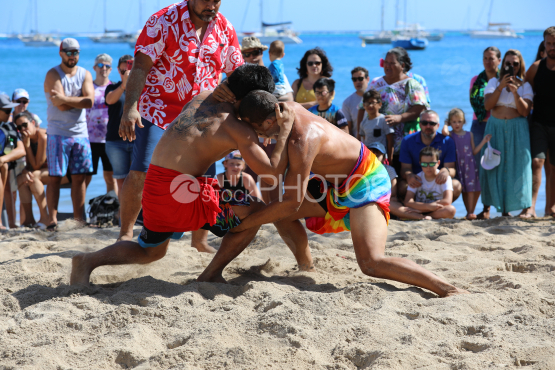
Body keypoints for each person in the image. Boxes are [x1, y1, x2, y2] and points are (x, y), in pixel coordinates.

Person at [202, 90, 468, 297]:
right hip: (334, 184)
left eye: (260, 131)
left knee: (371, 262)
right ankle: (307, 269)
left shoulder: (302, 139)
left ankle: (447, 288)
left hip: (366, 180)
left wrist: (245, 223)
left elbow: (291, 203)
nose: (261, 138)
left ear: (272, 120)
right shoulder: (285, 107)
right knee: (276, 215)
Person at [70, 64, 292, 286]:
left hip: (155, 187)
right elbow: (272, 171)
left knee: (151, 252)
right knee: (256, 208)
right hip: (180, 193)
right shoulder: (236, 128)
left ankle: (87, 261)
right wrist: (282, 131)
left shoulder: (202, 97)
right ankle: (212, 273)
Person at [117, 0, 244, 251]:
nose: (212, 4)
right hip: (159, 111)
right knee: (142, 170)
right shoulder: (162, 20)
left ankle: (199, 241)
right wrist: (130, 107)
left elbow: (236, 73)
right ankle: (125, 232)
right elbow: (141, 67)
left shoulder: (224, 28)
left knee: (203, 179)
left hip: (202, 117)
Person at [43, 38, 94, 228]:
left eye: (76, 52)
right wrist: (76, 100)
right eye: (69, 52)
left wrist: (65, 97)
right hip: (57, 132)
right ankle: (52, 219)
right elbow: (61, 107)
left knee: (79, 178)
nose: (73, 56)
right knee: (55, 177)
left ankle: (79, 220)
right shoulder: (52, 74)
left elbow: (89, 102)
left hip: (81, 133)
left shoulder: (85, 74)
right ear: (61, 53)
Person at [356, 47, 429, 173]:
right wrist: (359, 133)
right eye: (386, 62)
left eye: (392, 63)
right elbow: (362, 108)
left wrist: (400, 118)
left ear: (402, 65)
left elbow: (420, 108)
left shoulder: (411, 84)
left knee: (402, 176)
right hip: (378, 143)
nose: (387, 66)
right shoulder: (375, 83)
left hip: (404, 140)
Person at [482, 49, 533, 216]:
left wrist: (515, 92)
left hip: (517, 129)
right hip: (495, 127)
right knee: (493, 165)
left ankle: (523, 207)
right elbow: (488, 106)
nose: (512, 66)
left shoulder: (525, 86)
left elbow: (525, 112)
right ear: (503, 64)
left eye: (515, 64)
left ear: (520, 65)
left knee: (519, 166)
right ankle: (495, 209)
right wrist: (501, 87)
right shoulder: (493, 83)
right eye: (508, 63)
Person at [524, 27, 555, 218]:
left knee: (553, 167)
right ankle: (531, 207)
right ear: (544, 43)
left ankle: (550, 208)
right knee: (537, 162)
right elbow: (526, 92)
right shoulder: (536, 67)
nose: (552, 47)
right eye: (549, 43)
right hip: (539, 124)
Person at [397, 110, 461, 202]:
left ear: (438, 125)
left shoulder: (447, 141)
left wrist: (445, 171)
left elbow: (451, 169)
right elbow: (404, 169)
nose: (428, 126)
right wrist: (409, 176)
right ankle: (418, 210)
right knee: (402, 186)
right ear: (419, 124)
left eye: (432, 123)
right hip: (417, 182)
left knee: (456, 185)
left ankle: (435, 211)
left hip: (437, 182)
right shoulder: (407, 141)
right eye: (424, 123)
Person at [469, 46, 501, 220]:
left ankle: (503, 207)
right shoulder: (476, 80)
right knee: (479, 167)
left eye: (491, 58)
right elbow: (475, 104)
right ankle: (483, 209)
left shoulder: (503, 79)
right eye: (485, 58)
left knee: (500, 165)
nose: (488, 61)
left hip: (498, 123)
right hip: (478, 124)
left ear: (499, 60)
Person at [441, 108, 491, 220]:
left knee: (473, 187)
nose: (457, 124)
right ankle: (469, 212)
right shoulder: (451, 135)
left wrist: (484, 141)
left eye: (459, 121)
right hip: (459, 165)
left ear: (464, 122)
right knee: (464, 189)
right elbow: (444, 132)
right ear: (450, 123)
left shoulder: (470, 134)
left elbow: (473, 151)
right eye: (453, 122)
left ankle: (471, 212)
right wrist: (445, 123)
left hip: (470, 165)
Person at [14, 111, 59, 229]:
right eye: (19, 127)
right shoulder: (26, 138)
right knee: (21, 179)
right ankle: (28, 220)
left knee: (34, 176)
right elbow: (29, 166)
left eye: (25, 125)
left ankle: (45, 218)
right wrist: (25, 172)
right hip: (44, 172)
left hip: (59, 171)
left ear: (33, 123)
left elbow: (37, 166)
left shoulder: (42, 136)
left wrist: (27, 145)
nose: (23, 129)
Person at [366, 142, 425, 220]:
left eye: (377, 155)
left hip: (384, 200)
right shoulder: (361, 170)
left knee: (391, 202)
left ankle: (420, 217)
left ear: (384, 158)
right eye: (371, 154)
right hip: (367, 200)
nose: (374, 157)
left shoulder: (389, 170)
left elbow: (393, 192)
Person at [85, 53, 115, 194]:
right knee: (86, 178)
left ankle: (113, 209)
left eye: (107, 66)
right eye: (100, 65)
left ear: (111, 69)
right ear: (94, 68)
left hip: (109, 139)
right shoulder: (88, 88)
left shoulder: (115, 88)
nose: (104, 68)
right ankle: (80, 214)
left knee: (110, 177)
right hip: (89, 139)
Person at [104, 55, 134, 198]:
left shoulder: (142, 90)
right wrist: (124, 84)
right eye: (123, 71)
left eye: (129, 71)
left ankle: (140, 217)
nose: (126, 74)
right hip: (116, 142)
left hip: (136, 140)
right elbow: (109, 100)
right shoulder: (112, 87)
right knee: (121, 180)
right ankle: (123, 217)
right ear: (118, 71)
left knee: (138, 179)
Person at [404, 146, 456, 220]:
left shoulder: (444, 177)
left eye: (431, 164)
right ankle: (426, 216)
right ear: (420, 163)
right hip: (420, 208)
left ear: (438, 163)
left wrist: (427, 208)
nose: (428, 167)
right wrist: (428, 206)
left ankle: (427, 216)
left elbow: (447, 201)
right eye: (424, 164)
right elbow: (407, 201)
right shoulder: (416, 178)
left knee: (451, 210)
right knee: (402, 209)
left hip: (431, 210)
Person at [0, 94, 26, 230]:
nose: (10, 113)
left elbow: (21, 150)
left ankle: (9, 223)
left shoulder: (9, 127)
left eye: (11, 110)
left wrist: (2, 158)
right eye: (6, 110)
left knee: (4, 168)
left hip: (3, 165)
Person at [217, 150, 262, 217]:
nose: (235, 167)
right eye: (231, 163)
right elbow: (216, 199)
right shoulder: (220, 178)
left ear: (243, 165)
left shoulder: (246, 179)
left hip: (244, 211)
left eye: (238, 164)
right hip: (225, 211)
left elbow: (258, 200)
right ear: (225, 163)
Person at [358, 89, 394, 159]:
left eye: (372, 102)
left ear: (380, 104)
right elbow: (363, 141)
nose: (370, 105)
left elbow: (390, 141)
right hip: (368, 157)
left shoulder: (384, 120)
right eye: (367, 103)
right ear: (364, 105)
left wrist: (390, 157)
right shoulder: (363, 123)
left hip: (381, 157)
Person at [342, 67, 370, 137]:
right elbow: (348, 128)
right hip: (359, 143)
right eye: (354, 79)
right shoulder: (347, 102)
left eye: (360, 79)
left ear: (367, 79)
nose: (357, 82)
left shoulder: (377, 97)